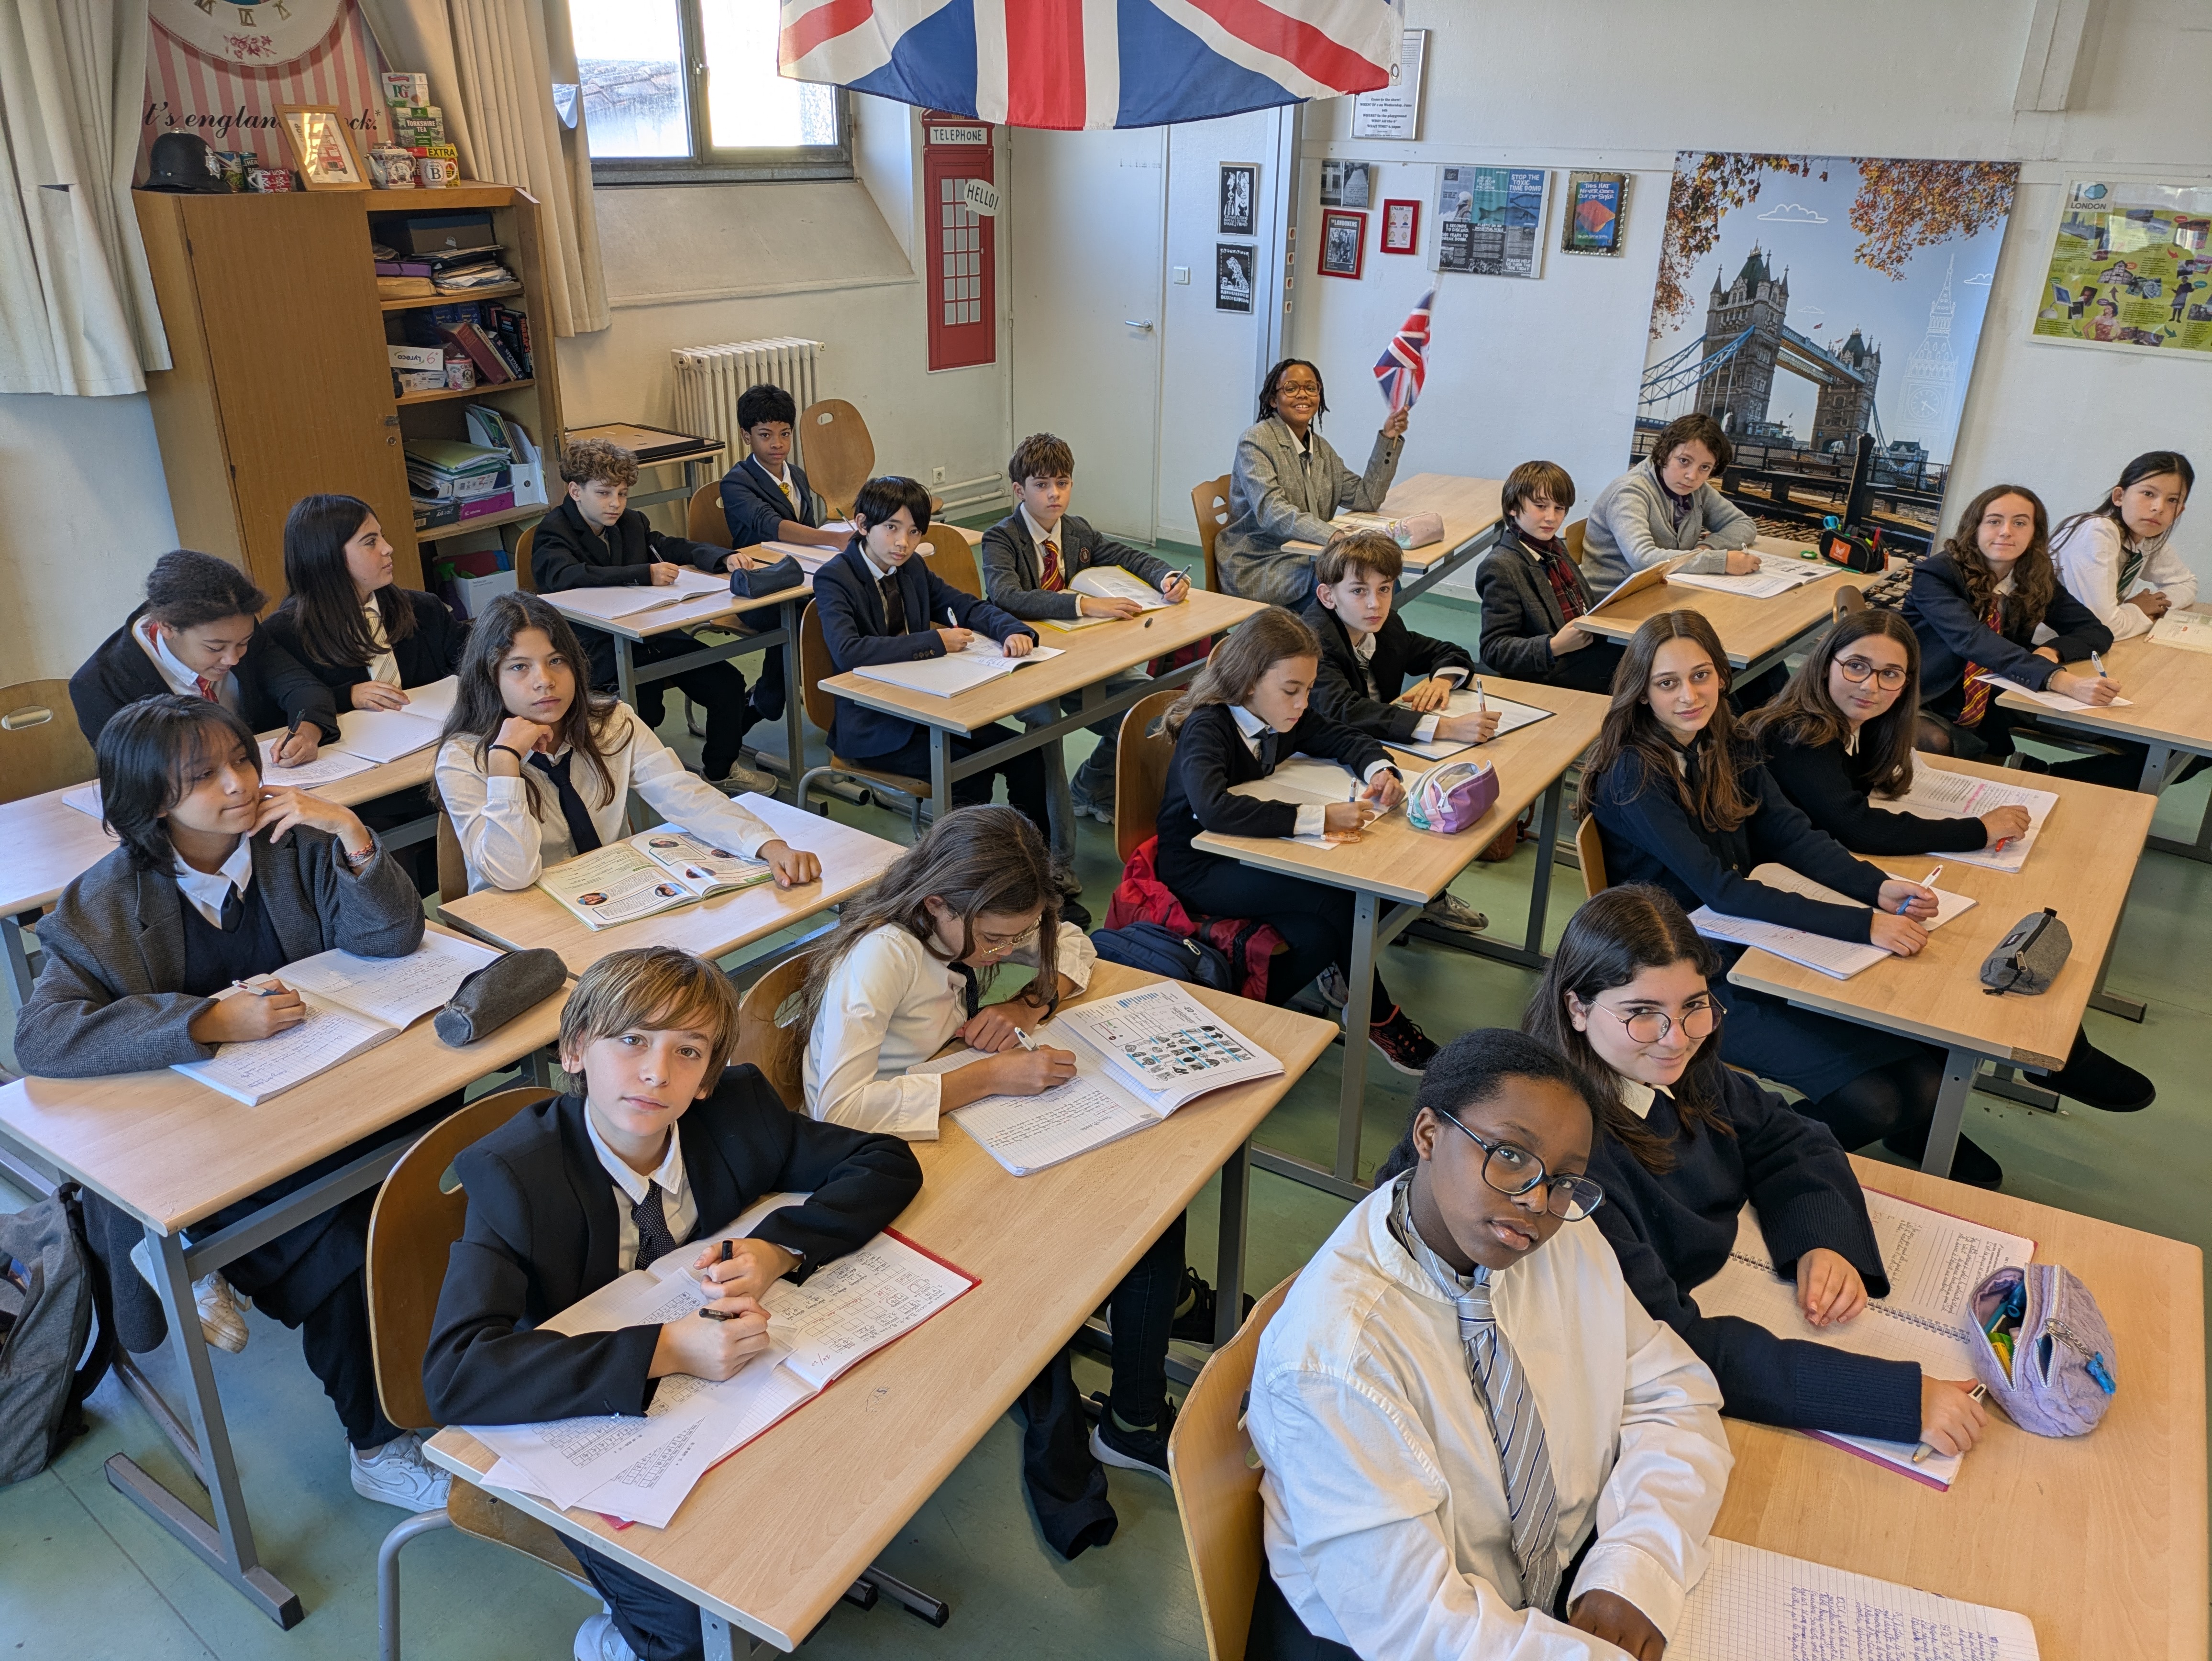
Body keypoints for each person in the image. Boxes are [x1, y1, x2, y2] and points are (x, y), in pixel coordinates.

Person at [420, 945, 923, 1661]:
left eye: (688, 1051)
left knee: (833, 1494)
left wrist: (779, 1249)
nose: (658, 1072)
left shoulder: (739, 1112)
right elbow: (456, 1374)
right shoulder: (515, 1175)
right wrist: (669, 1348)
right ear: (574, 1051)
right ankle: (622, 1638)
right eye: (631, 1040)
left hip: (726, 1405)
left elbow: (883, 1160)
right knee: (693, 1624)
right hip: (589, 1415)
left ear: (709, 1076)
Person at [14, 695, 451, 1510]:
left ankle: (462, 1366)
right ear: (152, 801)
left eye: (243, 760)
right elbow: (41, 1038)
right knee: (342, 1248)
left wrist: (353, 834)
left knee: (448, 1173)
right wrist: (205, 1021)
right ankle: (376, 1446)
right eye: (204, 776)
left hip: (325, 1102)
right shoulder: (102, 901)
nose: (240, 784)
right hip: (212, 1150)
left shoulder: (296, 842)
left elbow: (392, 939)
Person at [1246, 1029, 1731, 1661]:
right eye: (1508, 1154)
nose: (1535, 1200)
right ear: (1428, 1135)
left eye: (1565, 1179)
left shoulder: (1559, 1238)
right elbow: (1418, 1622)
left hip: (1545, 1591)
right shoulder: (1335, 1358)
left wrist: (1636, 1567)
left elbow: (1673, 1394)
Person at [796, 807, 1218, 1505]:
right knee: (1134, 1210)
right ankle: (1136, 1412)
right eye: (995, 939)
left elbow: (1072, 942)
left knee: (1151, 1194)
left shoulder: (968, 925)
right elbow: (836, 1109)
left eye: (1017, 936)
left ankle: (1148, 1340)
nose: (1004, 950)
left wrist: (1029, 1001)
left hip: (957, 1120)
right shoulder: (885, 955)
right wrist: (988, 1077)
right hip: (890, 1158)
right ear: (939, 902)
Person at [1528, 884, 1990, 1457]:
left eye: (1693, 1004)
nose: (1677, 1038)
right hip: (1646, 1384)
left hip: (1732, 1295)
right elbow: (1665, 1341)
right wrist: (1895, 1400)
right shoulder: (1570, 1167)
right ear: (1576, 1008)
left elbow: (1787, 1135)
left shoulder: (1673, 1066)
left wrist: (1820, 1237)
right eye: (1641, 1014)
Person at [1580, 609, 1990, 1184]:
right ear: (1641, 692)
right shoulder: (1634, 774)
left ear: (1722, 675)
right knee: (1873, 1100)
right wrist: (1861, 924)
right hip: (1676, 973)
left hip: (1743, 942)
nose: (1689, 696)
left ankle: (1903, 1129)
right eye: (1667, 683)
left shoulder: (1727, 740)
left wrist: (1876, 887)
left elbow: (1790, 833)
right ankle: (1728, 1173)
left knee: (1924, 1078)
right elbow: (1721, 889)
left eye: (1701, 676)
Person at [1747, 611, 2155, 1113]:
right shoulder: (1798, 733)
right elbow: (1856, 826)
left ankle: (2044, 1052)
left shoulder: (1857, 722)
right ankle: (2025, 1059)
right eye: (1856, 666)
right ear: (1824, 663)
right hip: (1780, 892)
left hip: (1821, 865)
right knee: (1951, 938)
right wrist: (1977, 830)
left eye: (1890, 674)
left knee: (1973, 912)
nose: (1871, 686)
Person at [1153, 607, 1438, 1073]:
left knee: (1322, 934)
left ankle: (1247, 1014)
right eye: (1292, 690)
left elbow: (1343, 737)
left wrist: (1381, 770)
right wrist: (1320, 818)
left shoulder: (1283, 714)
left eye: (1307, 689)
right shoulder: (1209, 725)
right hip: (1198, 867)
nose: (1303, 703)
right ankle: (1377, 1015)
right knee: (1341, 903)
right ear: (1249, 683)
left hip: (1255, 853)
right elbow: (1214, 808)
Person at [432, 592, 819, 895]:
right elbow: (512, 876)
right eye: (520, 667)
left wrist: (766, 844)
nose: (544, 681)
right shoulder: (464, 758)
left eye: (556, 661)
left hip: (613, 896)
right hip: (522, 925)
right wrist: (505, 764)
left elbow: (683, 794)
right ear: (490, 677)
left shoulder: (610, 722)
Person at [812, 475, 1053, 844]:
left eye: (914, 532)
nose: (903, 542)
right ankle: (964, 869)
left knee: (1026, 752)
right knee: (968, 772)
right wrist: (934, 642)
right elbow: (849, 650)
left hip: (930, 705)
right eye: (892, 528)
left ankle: (1036, 859)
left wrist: (1012, 630)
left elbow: (964, 605)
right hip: (875, 724)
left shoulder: (911, 567)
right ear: (862, 525)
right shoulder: (835, 577)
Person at [531, 437, 772, 797]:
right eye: (604, 493)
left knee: (727, 684)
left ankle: (720, 770)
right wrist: (643, 573)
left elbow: (670, 546)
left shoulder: (630, 522)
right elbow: (565, 576)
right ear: (576, 491)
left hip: (650, 634)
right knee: (642, 709)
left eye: (622, 494)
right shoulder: (554, 530)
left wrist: (722, 557)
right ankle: (634, 783)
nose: (615, 503)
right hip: (597, 648)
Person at [980, 431, 1192, 828]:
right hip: (1028, 662)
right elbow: (1007, 595)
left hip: (1083, 654)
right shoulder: (1001, 537)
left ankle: (1090, 789)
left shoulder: (1077, 530)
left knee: (1154, 714)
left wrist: (1166, 576)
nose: (1054, 494)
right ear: (1019, 490)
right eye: (1041, 485)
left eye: (1062, 483)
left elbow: (1127, 556)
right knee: (1067, 726)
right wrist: (1083, 604)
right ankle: (1063, 822)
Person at [262, 493, 469, 891]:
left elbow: (471, 663)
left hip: (436, 763)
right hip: (366, 791)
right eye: (370, 542)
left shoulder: (423, 610)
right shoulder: (285, 633)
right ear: (327, 558)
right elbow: (279, 717)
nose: (388, 549)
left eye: (382, 537)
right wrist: (347, 696)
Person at [1301, 527, 1493, 944]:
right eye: (1359, 591)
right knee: (1409, 807)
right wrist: (1443, 727)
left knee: (1435, 794)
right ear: (1328, 596)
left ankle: (1414, 899)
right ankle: (1381, 908)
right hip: (1321, 759)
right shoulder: (1313, 640)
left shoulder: (1384, 627)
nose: (1375, 603)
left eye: (1385, 589)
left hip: (1375, 749)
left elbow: (1448, 651)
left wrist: (1441, 680)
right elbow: (1343, 711)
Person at [1901, 483, 2131, 786]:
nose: (2006, 532)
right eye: (1994, 521)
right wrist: (2058, 679)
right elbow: (1972, 639)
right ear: (1975, 527)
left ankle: (2044, 776)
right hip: (1927, 698)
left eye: (2020, 523)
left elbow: (2096, 631)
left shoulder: (2033, 577)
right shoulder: (1937, 574)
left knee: (2139, 742)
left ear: (2035, 534)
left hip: (1998, 697)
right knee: (1935, 741)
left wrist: (2052, 651)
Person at [70, 547, 337, 764]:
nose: (233, 659)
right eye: (215, 648)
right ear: (167, 627)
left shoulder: (235, 630)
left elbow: (303, 688)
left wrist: (308, 731)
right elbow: (132, 771)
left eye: (243, 643)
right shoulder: (100, 683)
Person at [1217, 358, 1406, 609]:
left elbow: (1366, 498)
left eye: (1311, 388)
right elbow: (1273, 512)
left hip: (1311, 555)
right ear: (1273, 400)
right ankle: (1348, 635)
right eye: (1291, 388)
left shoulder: (1321, 448)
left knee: (1382, 576)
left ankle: (1369, 635)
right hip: (1262, 562)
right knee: (1349, 585)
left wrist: (1389, 439)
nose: (1302, 395)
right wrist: (1333, 536)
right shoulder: (1256, 441)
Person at [718, 382, 844, 724]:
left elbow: (807, 532)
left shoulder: (797, 476)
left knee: (841, 602)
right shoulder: (737, 482)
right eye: (766, 435)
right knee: (808, 616)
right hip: (757, 590)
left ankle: (817, 696)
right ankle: (773, 697)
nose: (777, 444)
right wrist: (834, 540)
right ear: (746, 436)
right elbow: (771, 525)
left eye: (785, 434)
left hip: (800, 578)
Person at [1476, 460, 1626, 696]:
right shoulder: (1501, 566)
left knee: (1655, 660)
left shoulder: (1552, 546)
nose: (1552, 518)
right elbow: (1494, 651)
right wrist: (1553, 646)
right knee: (1641, 680)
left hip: (1583, 649)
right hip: (1549, 669)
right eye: (1540, 506)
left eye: (1559, 508)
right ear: (1513, 507)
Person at [1577, 413, 1759, 597]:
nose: (1692, 476)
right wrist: (1720, 562)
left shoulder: (1697, 490)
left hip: (1662, 588)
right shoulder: (1629, 492)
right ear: (1664, 454)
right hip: (1614, 599)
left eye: (1705, 467)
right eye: (1684, 461)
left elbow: (1743, 524)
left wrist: (1706, 549)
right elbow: (1643, 559)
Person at [2050, 450, 2196, 641]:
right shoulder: (2096, 531)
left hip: (2083, 645)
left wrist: (2154, 605)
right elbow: (2102, 626)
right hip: (2039, 647)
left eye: (2173, 500)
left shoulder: (2148, 538)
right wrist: (2138, 610)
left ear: (2179, 511)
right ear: (2119, 496)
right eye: (2148, 493)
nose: (2159, 508)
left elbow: (2187, 583)